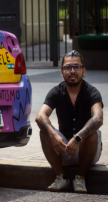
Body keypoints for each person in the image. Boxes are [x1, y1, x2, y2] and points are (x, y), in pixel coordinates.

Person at [35, 50, 103, 194]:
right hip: (64, 148)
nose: (72, 71)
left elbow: (98, 118)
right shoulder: (56, 92)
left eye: (76, 67)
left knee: (92, 132)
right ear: (62, 72)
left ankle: (80, 178)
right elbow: (40, 116)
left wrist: (78, 138)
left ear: (83, 71)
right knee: (45, 130)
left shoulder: (92, 92)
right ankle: (61, 178)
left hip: (88, 151)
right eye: (68, 67)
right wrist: (53, 135)